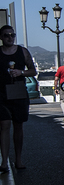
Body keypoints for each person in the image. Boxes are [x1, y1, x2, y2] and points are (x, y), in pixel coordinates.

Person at [0, 25, 37, 171]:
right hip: (2, 94)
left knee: (18, 125)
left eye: (12, 35)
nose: (10, 37)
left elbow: (33, 71)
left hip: (18, 93)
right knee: (4, 126)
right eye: (6, 35)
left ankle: (18, 159)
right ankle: (4, 162)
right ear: (1, 37)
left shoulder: (23, 52)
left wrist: (21, 72)